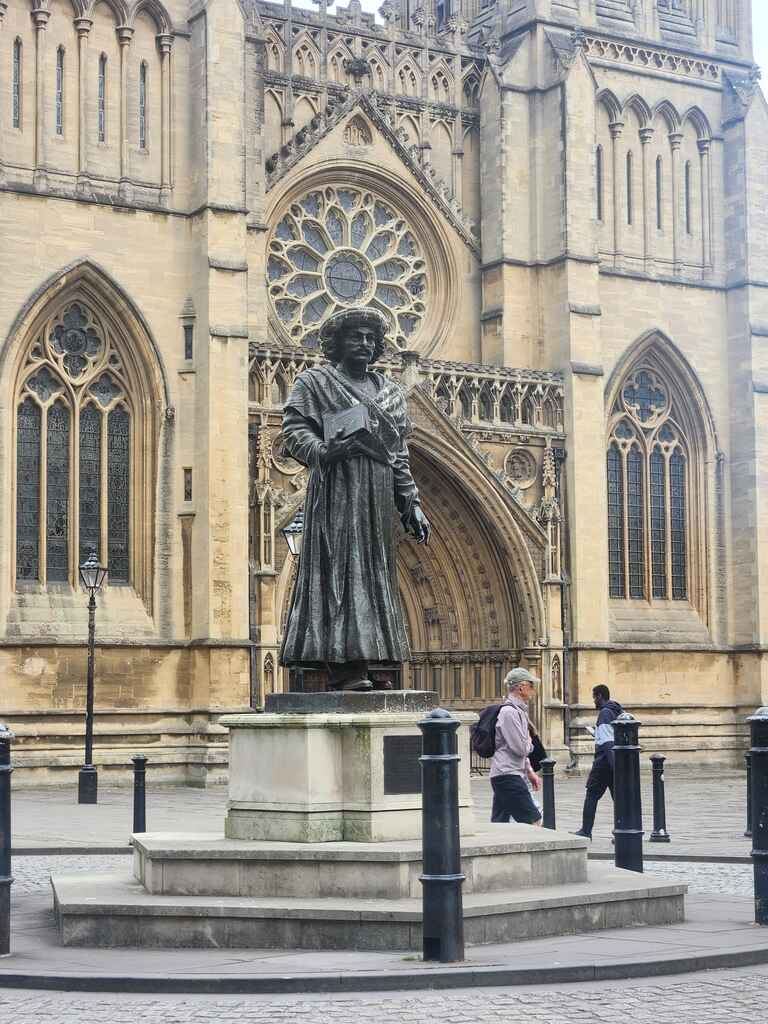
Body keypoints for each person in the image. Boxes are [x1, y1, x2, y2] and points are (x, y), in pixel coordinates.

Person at [279, 307, 431, 692]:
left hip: (377, 495)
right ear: (338, 343)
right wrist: (323, 451)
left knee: (373, 574)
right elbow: (294, 431)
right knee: (337, 571)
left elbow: (398, 453)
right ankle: (343, 668)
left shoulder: (391, 393)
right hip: (336, 489)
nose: (364, 344)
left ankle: (367, 660)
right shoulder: (314, 382)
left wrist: (410, 502)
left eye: (369, 338)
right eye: (355, 336)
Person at [489, 668, 542, 826]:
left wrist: (529, 771)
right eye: (531, 686)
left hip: (506, 774)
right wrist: (530, 743)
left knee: (500, 825)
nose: (533, 691)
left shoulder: (518, 711)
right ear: (521, 688)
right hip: (507, 775)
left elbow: (520, 752)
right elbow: (520, 748)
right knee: (534, 821)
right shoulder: (509, 713)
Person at [573, 684, 624, 839]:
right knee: (619, 798)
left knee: (591, 795)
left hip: (604, 762)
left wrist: (614, 766)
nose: (594, 701)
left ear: (600, 696)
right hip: (615, 761)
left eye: (594, 697)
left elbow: (608, 741)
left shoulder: (604, 713)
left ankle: (586, 831)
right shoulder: (618, 711)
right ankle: (622, 832)